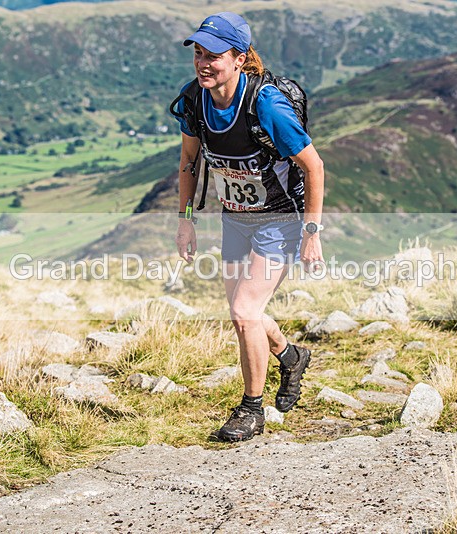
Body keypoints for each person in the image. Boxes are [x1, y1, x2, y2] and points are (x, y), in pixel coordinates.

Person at [171, 12, 325, 442]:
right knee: (245, 312)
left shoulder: (266, 105)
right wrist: (186, 222)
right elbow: (188, 163)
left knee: (244, 313)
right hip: (235, 221)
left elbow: (313, 167)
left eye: (214, 55)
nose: (203, 63)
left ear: (239, 58)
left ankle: (251, 410)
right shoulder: (193, 101)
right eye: (198, 53)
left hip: (280, 220)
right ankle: (291, 357)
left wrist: (312, 234)